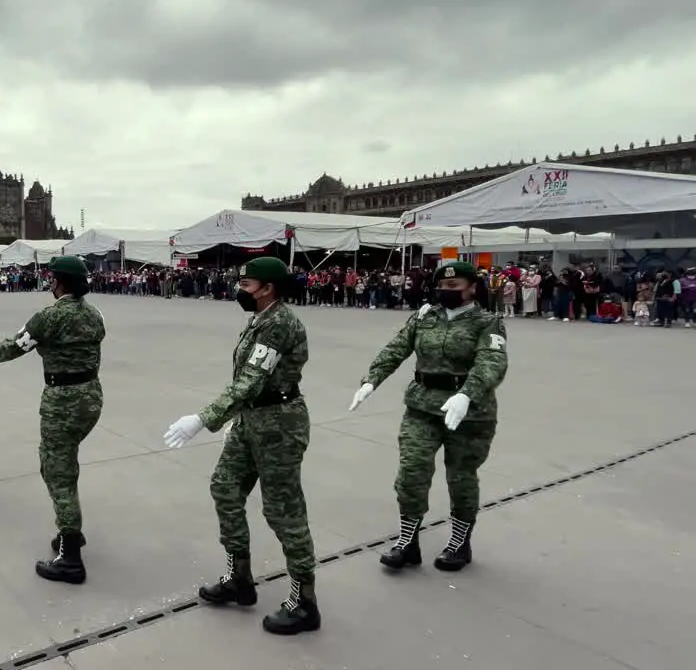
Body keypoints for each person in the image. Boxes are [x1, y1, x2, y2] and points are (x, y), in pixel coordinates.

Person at [162, 256, 321, 636]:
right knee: (225, 487)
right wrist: (237, 415)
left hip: (279, 425)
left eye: (246, 285)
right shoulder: (260, 318)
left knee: (283, 511)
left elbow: (249, 381)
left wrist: (203, 418)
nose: (240, 290)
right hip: (251, 419)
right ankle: (240, 578)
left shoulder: (279, 323)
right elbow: (250, 385)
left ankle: (304, 602)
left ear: (267, 288)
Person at [349, 260, 508, 574]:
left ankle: (459, 543)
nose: (446, 291)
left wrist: (466, 394)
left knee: (461, 479)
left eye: (454, 286)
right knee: (411, 474)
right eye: (442, 286)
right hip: (422, 407)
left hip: (469, 414)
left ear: (472, 288)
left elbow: (492, 362)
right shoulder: (424, 316)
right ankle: (407, 543)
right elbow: (395, 349)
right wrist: (370, 381)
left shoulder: (488, 322)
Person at [0, 255, 105, 585]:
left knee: (57, 470)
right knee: (66, 462)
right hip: (91, 396)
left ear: (57, 282)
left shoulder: (49, 316)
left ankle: (70, 555)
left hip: (63, 401)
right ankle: (69, 531)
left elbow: (13, 348)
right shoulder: (94, 314)